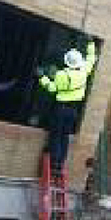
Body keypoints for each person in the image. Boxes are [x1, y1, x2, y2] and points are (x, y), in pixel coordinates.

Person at [39, 40, 96, 172]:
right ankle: (60, 162)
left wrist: (42, 77)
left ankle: (54, 161)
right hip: (73, 111)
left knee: (56, 134)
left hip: (61, 108)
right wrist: (91, 43)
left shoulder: (61, 75)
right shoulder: (84, 72)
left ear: (67, 62)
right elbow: (91, 59)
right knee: (64, 136)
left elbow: (52, 88)